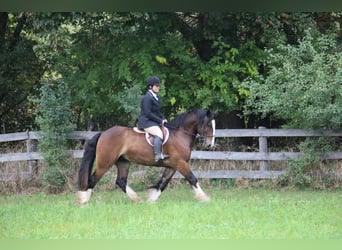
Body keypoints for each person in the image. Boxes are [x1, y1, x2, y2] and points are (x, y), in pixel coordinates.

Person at [138, 76, 168, 162]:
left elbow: (157, 111)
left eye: (158, 86)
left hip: (152, 121)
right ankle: (157, 155)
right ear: (150, 86)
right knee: (159, 133)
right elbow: (148, 113)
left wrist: (163, 118)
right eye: (156, 86)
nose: (158, 87)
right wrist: (160, 120)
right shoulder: (147, 98)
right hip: (146, 121)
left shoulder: (156, 97)